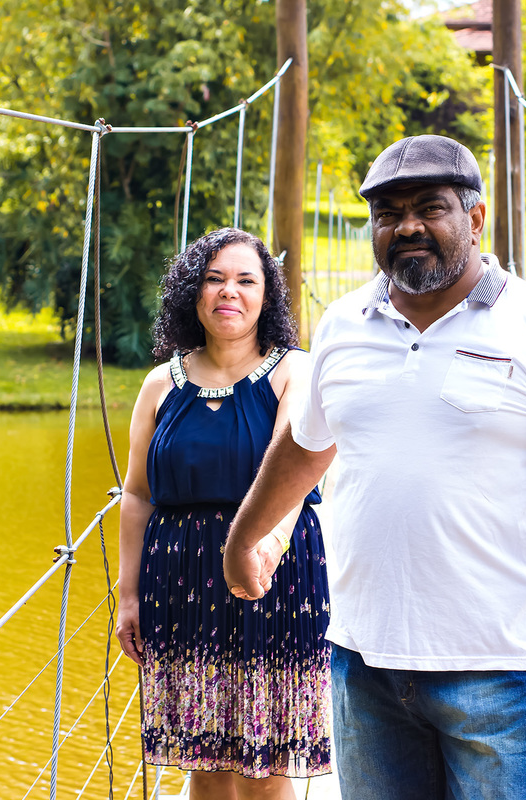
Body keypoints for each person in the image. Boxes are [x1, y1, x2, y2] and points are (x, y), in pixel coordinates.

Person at [224, 135, 526, 799]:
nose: (407, 225)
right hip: (362, 660)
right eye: (387, 213)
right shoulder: (341, 324)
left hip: (494, 667)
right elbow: (306, 444)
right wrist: (245, 537)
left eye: (429, 207)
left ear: (474, 219)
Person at [115, 228, 331, 800]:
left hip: (274, 577)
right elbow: (137, 495)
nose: (228, 292)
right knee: (203, 762)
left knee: (266, 766)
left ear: (268, 296)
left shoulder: (295, 372)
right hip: (178, 580)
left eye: (245, 280)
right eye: (214, 279)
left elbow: (298, 477)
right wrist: (128, 594)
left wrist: (259, 555)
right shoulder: (161, 383)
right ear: (193, 291)